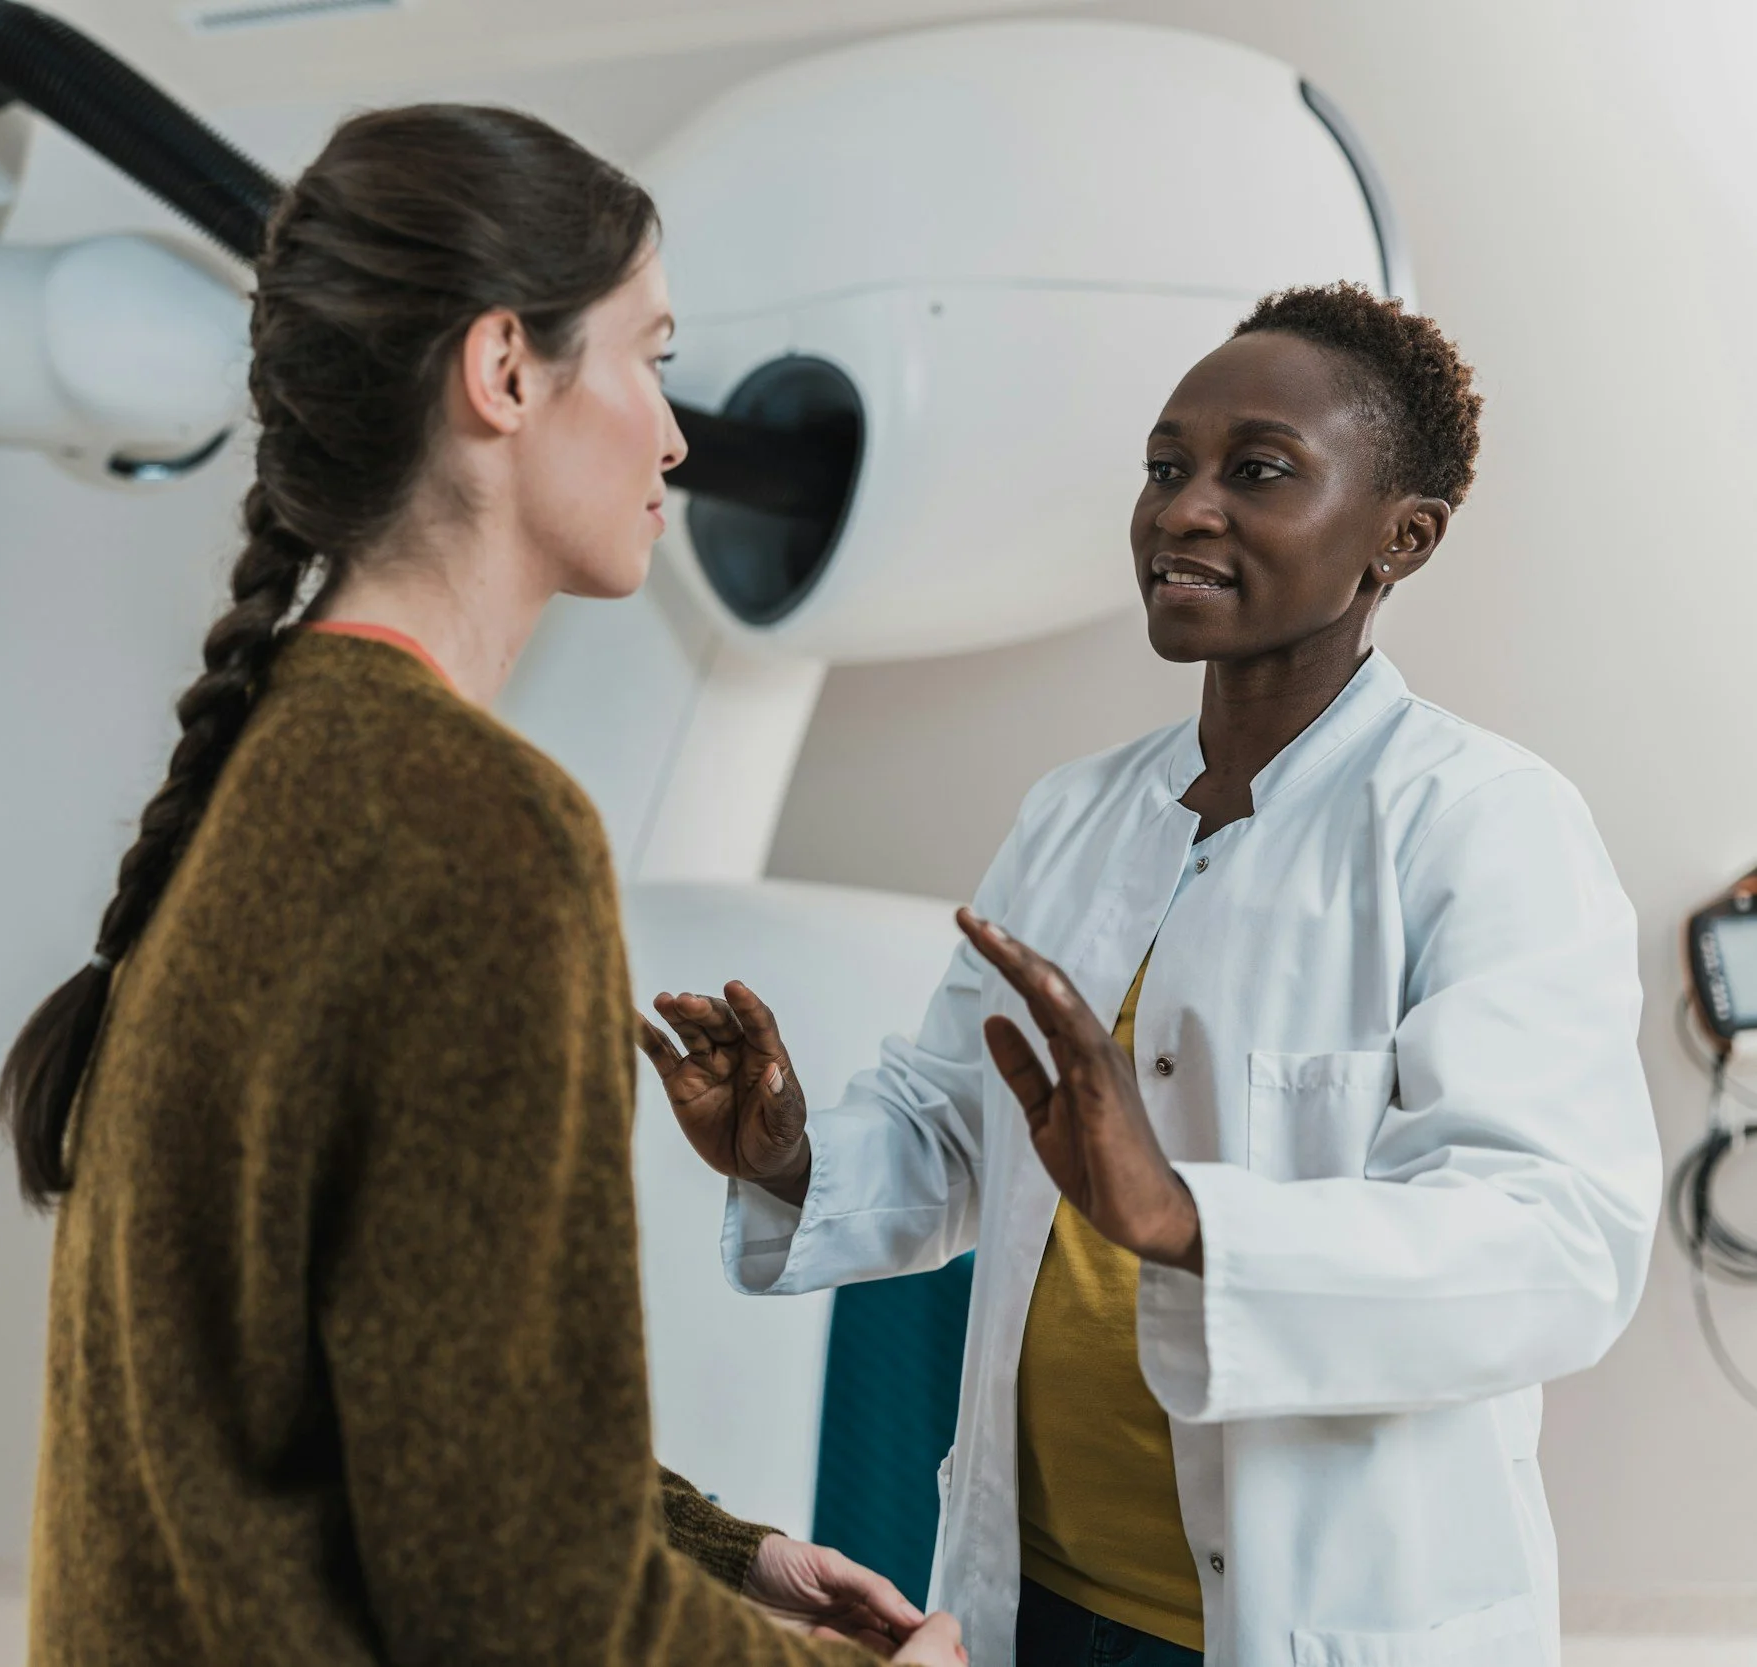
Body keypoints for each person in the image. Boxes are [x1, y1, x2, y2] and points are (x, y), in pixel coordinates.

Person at [1, 104, 967, 1667]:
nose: (674, 433)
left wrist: (735, 1553)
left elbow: (414, 1426)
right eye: (650, 354)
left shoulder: (275, 769)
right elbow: (523, 1608)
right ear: (504, 369)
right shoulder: (483, 833)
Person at [641, 284, 1661, 1667]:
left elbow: (1558, 1242)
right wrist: (790, 1154)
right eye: (1166, 467)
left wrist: (1191, 1221)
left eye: (1258, 472)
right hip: (1035, 1596)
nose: (1183, 509)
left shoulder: (1483, 824)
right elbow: (952, 1131)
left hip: (1311, 1620)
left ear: (1398, 538)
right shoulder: (1074, 815)